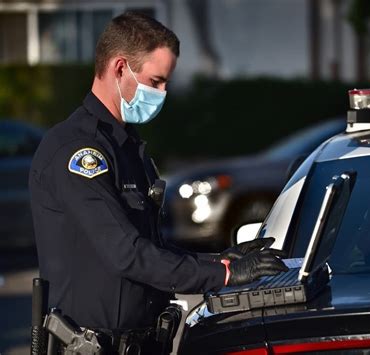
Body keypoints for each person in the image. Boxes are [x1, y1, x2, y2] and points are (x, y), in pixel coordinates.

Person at [29, 11, 288, 354]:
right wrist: (224, 277)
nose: (163, 93)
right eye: (155, 82)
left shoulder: (126, 148)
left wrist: (219, 261)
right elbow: (127, 253)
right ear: (120, 68)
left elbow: (153, 246)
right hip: (90, 346)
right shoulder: (77, 152)